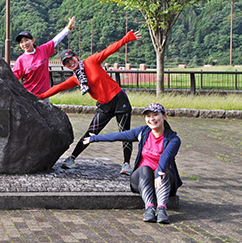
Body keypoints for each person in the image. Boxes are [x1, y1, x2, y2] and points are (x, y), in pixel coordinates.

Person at [37, 30, 143, 174]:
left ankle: (126, 164)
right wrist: (40, 96)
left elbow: (110, 50)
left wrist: (127, 38)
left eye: (71, 59)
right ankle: (72, 158)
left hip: (119, 99)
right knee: (91, 132)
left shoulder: (91, 61)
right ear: (65, 66)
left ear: (76, 57)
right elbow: (58, 87)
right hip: (104, 105)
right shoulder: (76, 79)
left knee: (124, 133)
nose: (70, 63)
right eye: (67, 63)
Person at [82, 103, 182, 224]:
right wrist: (95, 138)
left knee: (163, 171)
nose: (151, 119)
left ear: (164, 116)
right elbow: (119, 135)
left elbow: (166, 156)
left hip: (163, 180)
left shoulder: (173, 139)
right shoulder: (143, 132)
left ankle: (161, 209)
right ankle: (149, 208)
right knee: (145, 169)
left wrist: (159, 172)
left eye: (155, 115)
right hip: (142, 179)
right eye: (148, 116)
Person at [13, 17, 76, 96]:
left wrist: (69, 27)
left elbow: (56, 40)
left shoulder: (43, 50)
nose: (24, 44)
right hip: (29, 96)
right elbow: (13, 78)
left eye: (26, 40)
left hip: (45, 95)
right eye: (21, 42)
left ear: (32, 40)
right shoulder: (20, 60)